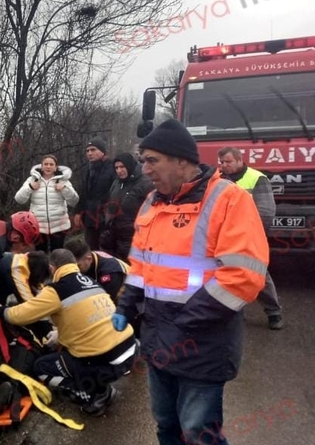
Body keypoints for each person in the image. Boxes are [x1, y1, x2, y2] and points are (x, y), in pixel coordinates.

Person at [112, 119, 269, 445]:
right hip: (158, 339)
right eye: (143, 161)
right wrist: (126, 303)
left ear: (181, 160)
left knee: (199, 432)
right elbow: (140, 263)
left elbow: (243, 277)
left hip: (203, 343)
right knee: (167, 426)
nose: (146, 168)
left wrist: (182, 324)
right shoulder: (152, 202)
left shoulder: (230, 199)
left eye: (152, 160)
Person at [0, 249, 137, 416]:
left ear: (52, 269)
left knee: (41, 367)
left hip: (107, 360)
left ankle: (93, 395)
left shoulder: (56, 290)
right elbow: (84, 317)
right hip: (130, 351)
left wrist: (0, 310)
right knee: (74, 354)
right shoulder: (91, 281)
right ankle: (100, 386)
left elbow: (21, 315)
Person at [217, 146, 284, 330]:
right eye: (222, 162)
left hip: (248, 236)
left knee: (257, 273)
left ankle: (274, 312)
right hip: (224, 235)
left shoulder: (257, 178)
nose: (224, 166)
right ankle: (235, 312)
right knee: (226, 275)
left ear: (239, 160)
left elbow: (266, 211)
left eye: (228, 162)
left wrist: (252, 234)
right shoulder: (219, 179)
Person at [14, 154, 79, 253]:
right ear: (41, 166)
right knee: (40, 255)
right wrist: (30, 187)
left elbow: (74, 201)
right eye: (46, 164)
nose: (48, 166)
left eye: (51, 164)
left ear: (55, 167)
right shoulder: (32, 179)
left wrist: (64, 189)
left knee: (58, 254)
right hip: (38, 226)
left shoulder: (63, 180)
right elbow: (19, 199)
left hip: (59, 226)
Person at [101, 153, 154, 262]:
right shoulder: (116, 183)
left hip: (135, 235)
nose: (119, 170)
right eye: (116, 168)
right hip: (116, 234)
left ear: (130, 166)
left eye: (122, 167)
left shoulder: (145, 183)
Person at [74, 138, 115, 250]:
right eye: (87, 151)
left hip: (106, 217)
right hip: (90, 217)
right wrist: (78, 212)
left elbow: (116, 192)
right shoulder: (88, 168)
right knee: (90, 250)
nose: (90, 153)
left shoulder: (113, 167)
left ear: (103, 151)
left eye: (93, 150)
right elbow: (84, 192)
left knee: (106, 249)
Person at [64, 238, 129, 302]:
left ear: (89, 259)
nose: (73, 269)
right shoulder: (90, 257)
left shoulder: (110, 273)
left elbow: (107, 303)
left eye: (78, 266)